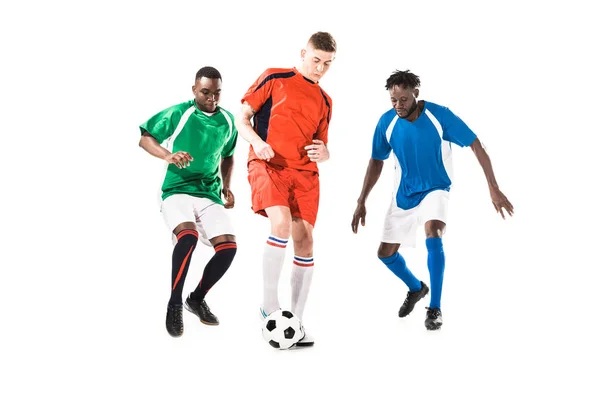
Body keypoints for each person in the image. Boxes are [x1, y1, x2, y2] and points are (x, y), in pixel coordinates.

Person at [351, 70, 513, 330]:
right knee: (384, 253)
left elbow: (475, 144)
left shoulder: (439, 116)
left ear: (416, 93)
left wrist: (493, 187)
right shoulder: (387, 122)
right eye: (393, 100)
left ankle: (435, 308)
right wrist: (361, 201)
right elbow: (376, 161)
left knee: (433, 233)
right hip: (405, 193)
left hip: (436, 187)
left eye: (403, 99)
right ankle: (416, 289)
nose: (398, 105)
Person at [235, 32, 337, 347]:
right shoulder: (274, 77)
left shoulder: (326, 101)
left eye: (328, 64)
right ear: (304, 53)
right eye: (316, 60)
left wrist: (326, 153)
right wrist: (258, 142)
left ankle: (297, 321)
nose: (320, 68)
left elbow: (323, 144)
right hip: (268, 164)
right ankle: (269, 306)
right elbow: (242, 120)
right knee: (279, 222)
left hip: (304, 174)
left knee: (305, 241)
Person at [139, 66, 238, 338]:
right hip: (177, 190)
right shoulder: (180, 112)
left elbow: (228, 155)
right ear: (194, 89)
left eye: (217, 93)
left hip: (208, 193)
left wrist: (226, 186)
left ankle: (195, 299)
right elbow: (145, 138)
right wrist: (167, 155)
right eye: (205, 92)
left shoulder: (228, 121)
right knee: (188, 237)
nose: (212, 98)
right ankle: (174, 304)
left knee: (228, 247)